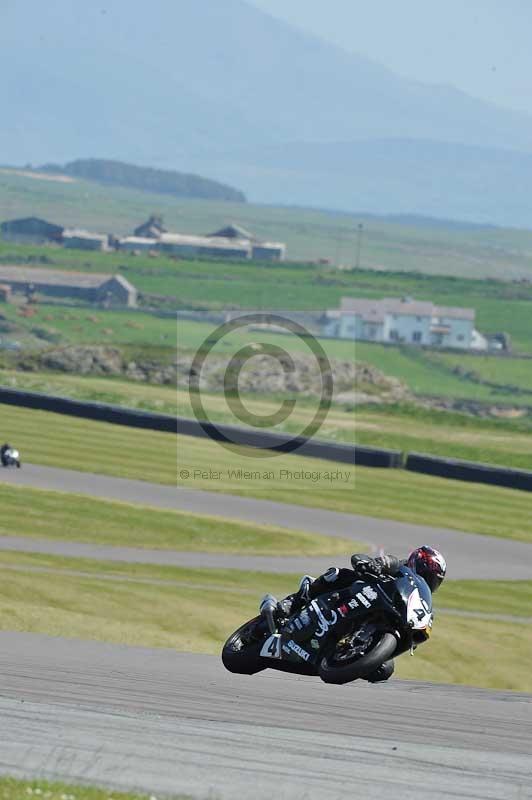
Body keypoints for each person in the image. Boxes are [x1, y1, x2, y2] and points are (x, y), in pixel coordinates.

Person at [276, 545, 447, 683]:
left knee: (384, 670)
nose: (429, 580)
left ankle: (344, 655)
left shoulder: (421, 600)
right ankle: (294, 601)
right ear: (417, 564)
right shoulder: (399, 567)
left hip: (382, 621)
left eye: (434, 579)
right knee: (337, 574)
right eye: (428, 574)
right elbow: (377, 562)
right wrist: (373, 565)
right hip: (358, 595)